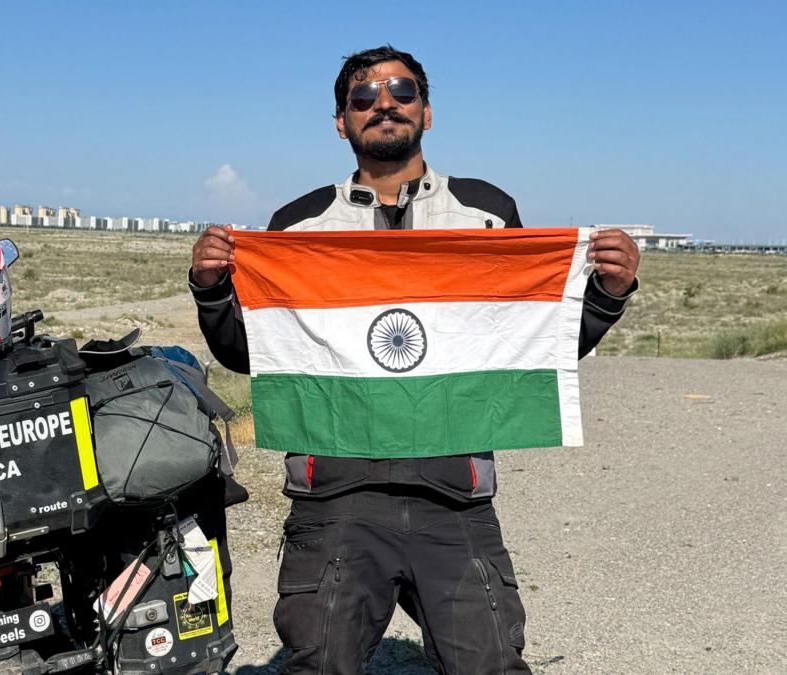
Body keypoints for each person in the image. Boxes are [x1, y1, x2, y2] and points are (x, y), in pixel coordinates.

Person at [189, 46, 640, 674]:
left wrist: (605, 295)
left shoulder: (487, 215)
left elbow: (531, 342)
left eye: (401, 91)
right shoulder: (296, 228)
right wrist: (211, 289)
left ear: (426, 112)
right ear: (342, 122)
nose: (384, 104)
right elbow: (251, 354)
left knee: (490, 667)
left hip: (453, 497)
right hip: (335, 497)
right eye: (363, 97)